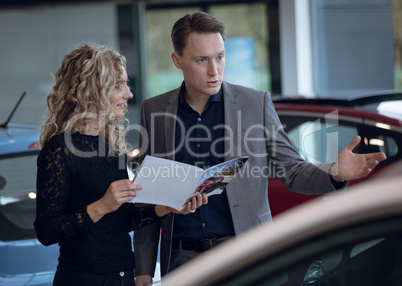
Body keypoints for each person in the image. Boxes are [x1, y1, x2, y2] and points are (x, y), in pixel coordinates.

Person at [133, 11, 387, 286]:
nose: (214, 70)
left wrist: (335, 173)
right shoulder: (155, 109)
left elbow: (293, 170)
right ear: (177, 60)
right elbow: (149, 195)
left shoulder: (255, 104)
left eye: (220, 56)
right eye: (202, 60)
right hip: (182, 263)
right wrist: (143, 268)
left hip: (247, 256)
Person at [34, 43, 207, 286]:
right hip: (83, 279)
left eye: (126, 84)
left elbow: (121, 221)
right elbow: (46, 231)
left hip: (123, 276)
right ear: (92, 91)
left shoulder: (112, 146)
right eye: (118, 86)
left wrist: (166, 208)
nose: (129, 94)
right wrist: (101, 206)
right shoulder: (59, 148)